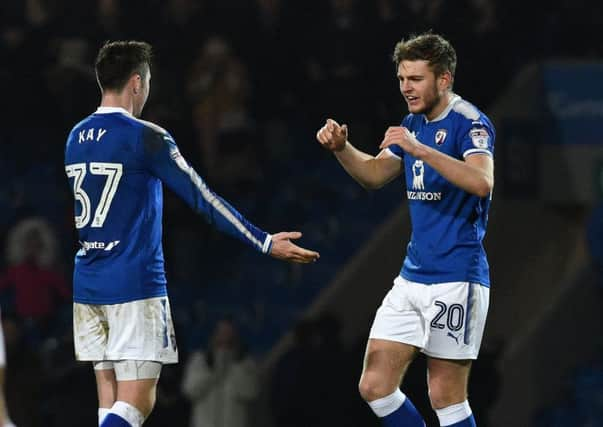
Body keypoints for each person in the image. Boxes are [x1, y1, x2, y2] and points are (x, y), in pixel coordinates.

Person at [64, 40, 320, 427]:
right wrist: (264, 241)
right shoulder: (146, 137)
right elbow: (204, 200)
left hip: (89, 285)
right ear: (137, 82)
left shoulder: (74, 138)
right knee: (136, 404)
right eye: (148, 81)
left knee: (109, 403)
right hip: (133, 285)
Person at [316, 33, 494, 427]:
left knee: (445, 396)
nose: (406, 88)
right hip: (413, 276)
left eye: (415, 79)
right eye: (401, 79)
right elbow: (376, 174)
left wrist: (419, 149)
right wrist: (342, 149)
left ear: (444, 79)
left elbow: (483, 182)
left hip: (456, 276)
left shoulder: (470, 122)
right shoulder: (413, 123)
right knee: (374, 384)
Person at [181, 317, 258, 427]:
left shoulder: (245, 363)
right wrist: (213, 372)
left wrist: (233, 365)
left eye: (229, 333)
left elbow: (251, 393)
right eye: (221, 332)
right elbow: (189, 390)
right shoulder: (200, 360)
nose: (225, 337)